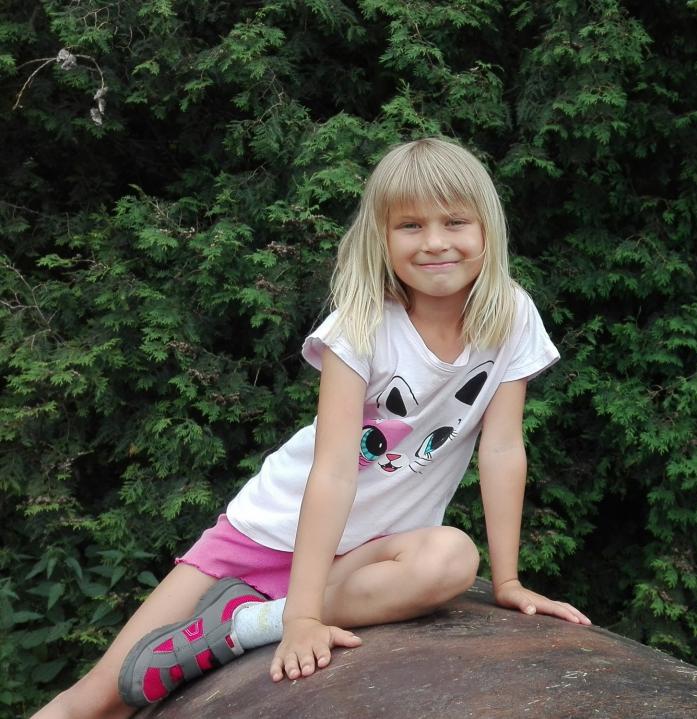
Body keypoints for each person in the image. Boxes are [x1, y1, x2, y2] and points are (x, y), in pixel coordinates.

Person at [34, 137, 590, 719]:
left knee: (450, 558)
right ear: (381, 237)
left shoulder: (511, 316)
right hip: (267, 534)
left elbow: (501, 449)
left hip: (365, 559)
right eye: (410, 225)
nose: (434, 242)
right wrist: (301, 619)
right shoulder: (361, 325)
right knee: (99, 701)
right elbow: (333, 472)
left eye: (454, 222)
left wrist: (508, 582)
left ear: (486, 229)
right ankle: (269, 613)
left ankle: (247, 624)